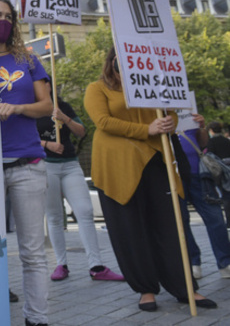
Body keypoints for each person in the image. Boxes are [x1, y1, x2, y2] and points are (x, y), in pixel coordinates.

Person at [85, 47, 215, 312]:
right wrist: (146, 130)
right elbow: (102, 121)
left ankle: (184, 286)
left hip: (156, 160)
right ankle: (146, 289)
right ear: (111, 62)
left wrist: (168, 122)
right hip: (117, 166)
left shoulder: (153, 86)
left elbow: (170, 114)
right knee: (131, 230)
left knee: (170, 226)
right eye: (119, 58)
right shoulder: (97, 88)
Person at [0, 0, 52, 326]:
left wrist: (17, 108)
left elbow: (47, 106)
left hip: (28, 165)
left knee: (32, 253)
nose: (2, 20)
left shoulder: (28, 60)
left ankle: (37, 319)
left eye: (7, 15)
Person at [37, 90, 123, 282]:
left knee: (85, 211)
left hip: (70, 164)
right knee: (54, 216)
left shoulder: (63, 106)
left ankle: (96, 266)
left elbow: (81, 131)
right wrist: (47, 145)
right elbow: (25, 138)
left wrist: (65, 118)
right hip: (46, 165)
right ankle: (61, 264)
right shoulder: (32, 109)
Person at [177, 114, 230, 280]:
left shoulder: (186, 111)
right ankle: (193, 262)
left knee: (215, 219)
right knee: (181, 221)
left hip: (198, 175)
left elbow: (203, 143)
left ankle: (225, 262)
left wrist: (201, 126)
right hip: (174, 177)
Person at [206, 121, 230, 228]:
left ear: (211, 130)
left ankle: (228, 220)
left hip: (220, 171)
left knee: (225, 196)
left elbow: (210, 156)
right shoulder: (226, 140)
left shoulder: (211, 141)